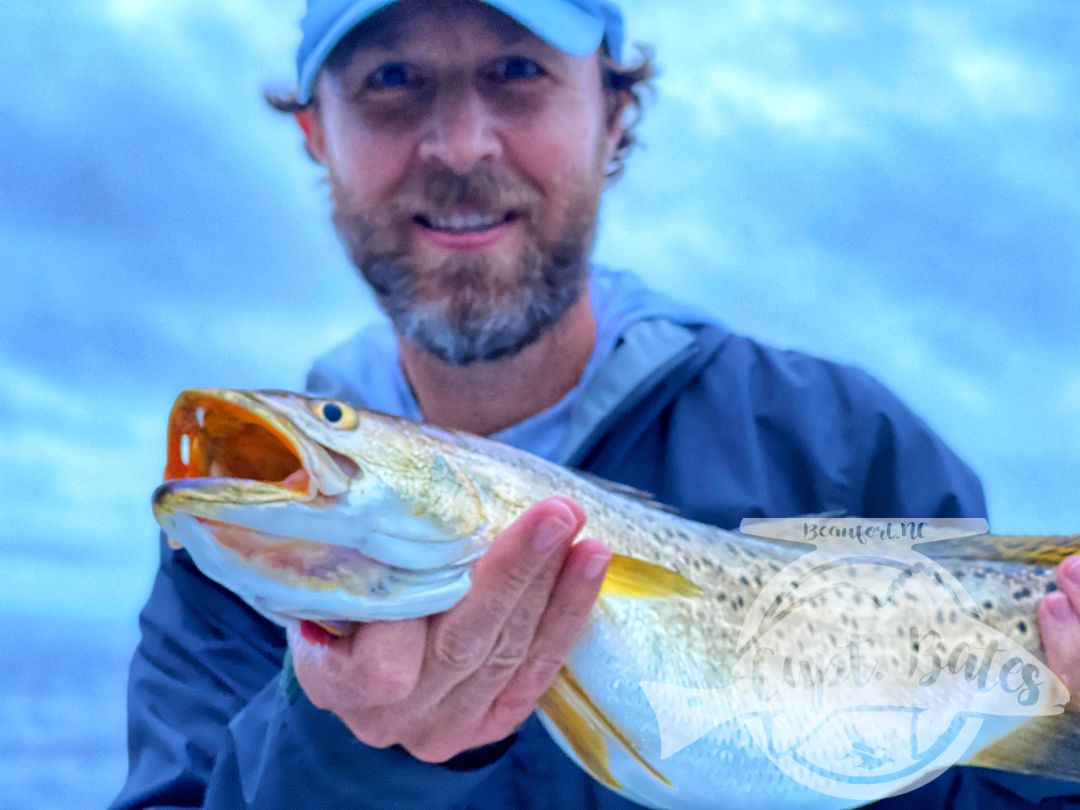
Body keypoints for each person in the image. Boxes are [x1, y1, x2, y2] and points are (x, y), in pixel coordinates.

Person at [113, 1, 1080, 807]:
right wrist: (339, 754)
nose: (459, 144)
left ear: (614, 116)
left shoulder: (848, 452)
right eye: (393, 81)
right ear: (317, 132)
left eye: (517, 71)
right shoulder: (236, 554)